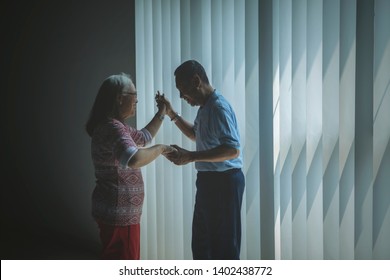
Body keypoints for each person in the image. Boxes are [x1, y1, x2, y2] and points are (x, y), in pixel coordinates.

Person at [85, 73, 175, 260]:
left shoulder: (114, 126)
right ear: (120, 98)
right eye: (134, 94)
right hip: (120, 215)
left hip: (115, 211)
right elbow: (134, 158)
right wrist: (162, 149)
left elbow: (143, 137)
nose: (137, 100)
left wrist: (162, 112)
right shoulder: (113, 128)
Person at [161, 60, 245, 260]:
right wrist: (171, 113)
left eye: (182, 90)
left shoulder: (218, 108)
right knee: (202, 243)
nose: (182, 96)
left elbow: (232, 149)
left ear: (196, 81)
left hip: (224, 182)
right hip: (208, 181)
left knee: (223, 246)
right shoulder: (205, 108)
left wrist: (191, 156)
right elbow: (195, 134)